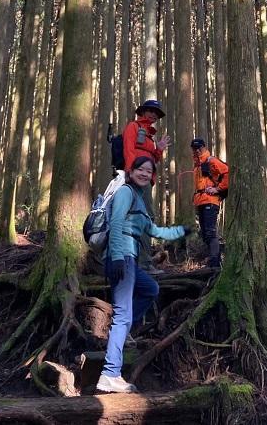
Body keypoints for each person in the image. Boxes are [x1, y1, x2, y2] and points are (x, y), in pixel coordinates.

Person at [96, 156, 191, 394]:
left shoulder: (139, 200)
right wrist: (117, 256)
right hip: (121, 258)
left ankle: (121, 330)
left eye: (149, 171)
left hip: (130, 260)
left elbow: (155, 231)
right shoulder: (126, 192)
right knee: (122, 315)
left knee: (151, 289)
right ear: (132, 171)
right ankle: (109, 374)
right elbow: (116, 223)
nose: (145, 174)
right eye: (141, 169)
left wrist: (182, 231)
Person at [122, 99, 170, 272]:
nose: (153, 115)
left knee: (144, 217)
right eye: (150, 111)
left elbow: (153, 159)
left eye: (156, 113)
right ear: (142, 111)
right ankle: (143, 263)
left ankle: (140, 261)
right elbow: (128, 149)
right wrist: (130, 173)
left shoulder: (150, 135)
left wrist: (159, 149)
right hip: (136, 178)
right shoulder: (133, 127)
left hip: (146, 179)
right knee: (145, 216)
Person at [191, 138, 229, 269]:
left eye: (199, 147)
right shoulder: (197, 165)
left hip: (211, 201)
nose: (197, 150)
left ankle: (214, 263)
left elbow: (227, 172)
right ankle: (214, 260)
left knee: (210, 232)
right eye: (194, 148)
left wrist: (217, 189)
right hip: (201, 200)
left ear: (204, 147)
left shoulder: (211, 160)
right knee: (205, 233)